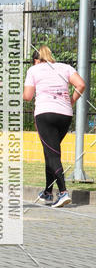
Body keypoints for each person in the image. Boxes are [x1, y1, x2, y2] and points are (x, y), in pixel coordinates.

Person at [23, 45, 85, 208]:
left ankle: (63, 192)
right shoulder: (65, 67)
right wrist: (70, 101)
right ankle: (48, 191)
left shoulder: (33, 71)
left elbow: (28, 97)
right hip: (65, 114)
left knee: (52, 154)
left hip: (45, 114)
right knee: (50, 151)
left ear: (36, 60)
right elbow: (81, 85)